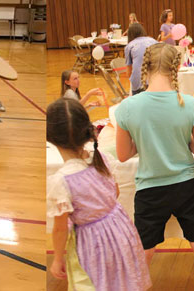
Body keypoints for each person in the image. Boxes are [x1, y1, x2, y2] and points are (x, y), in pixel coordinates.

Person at [115, 43, 194, 290]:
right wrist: (181, 140)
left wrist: (146, 139)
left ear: (145, 67)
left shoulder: (128, 107)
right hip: (187, 186)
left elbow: (122, 155)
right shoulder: (191, 104)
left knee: (144, 251)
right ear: (177, 68)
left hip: (150, 190)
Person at [47, 98, 151, 290]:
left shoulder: (61, 181)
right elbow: (115, 191)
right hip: (120, 231)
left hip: (91, 242)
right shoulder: (101, 158)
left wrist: (57, 257)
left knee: (93, 282)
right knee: (121, 280)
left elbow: (60, 229)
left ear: (51, 137)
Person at [124, 22, 157, 95]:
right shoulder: (153, 40)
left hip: (139, 82)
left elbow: (129, 72)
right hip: (155, 79)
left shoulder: (129, 46)